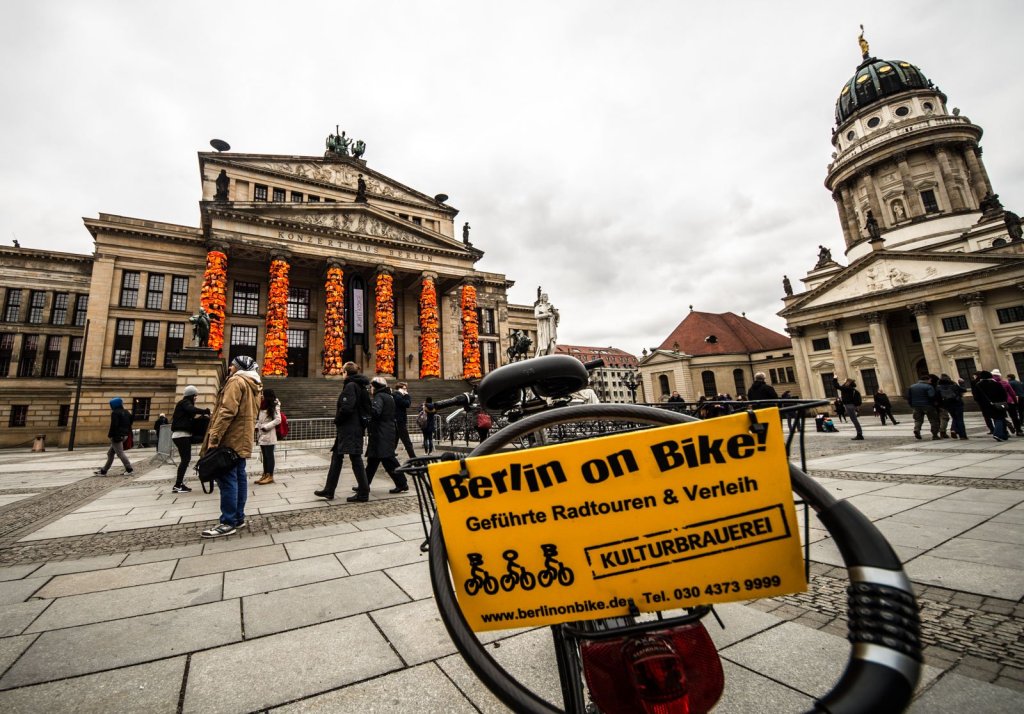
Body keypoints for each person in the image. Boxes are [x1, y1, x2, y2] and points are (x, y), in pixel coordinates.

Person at [200, 355, 262, 538]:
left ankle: (228, 522)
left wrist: (214, 436)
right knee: (239, 478)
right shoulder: (255, 385)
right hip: (243, 438)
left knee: (227, 480)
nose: (229, 368)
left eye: (232, 365)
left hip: (230, 438)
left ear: (238, 367)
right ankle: (238, 517)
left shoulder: (236, 381)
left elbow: (227, 411)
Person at [316, 362, 371, 502]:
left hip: (349, 427)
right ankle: (329, 489)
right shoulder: (358, 385)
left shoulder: (351, 385)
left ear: (346, 372)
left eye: (342, 371)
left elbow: (347, 407)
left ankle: (364, 492)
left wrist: (338, 420)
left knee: (355, 458)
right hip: (352, 427)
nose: (341, 373)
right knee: (337, 457)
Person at [362, 377, 409, 495]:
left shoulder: (379, 397)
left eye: (371, 387)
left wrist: (367, 413)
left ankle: (402, 483)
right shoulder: (389, 396)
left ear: (376, 387)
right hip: (387, 431)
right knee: (372, 461)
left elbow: (376, 412)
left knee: (389, 460)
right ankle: (364, 484)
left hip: (381, 433)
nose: (370, 389)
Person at [170, 386, 211, 492]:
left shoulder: (185, 404)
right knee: (185, 460)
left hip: (185, 435)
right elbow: (191, 409)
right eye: (195, 396)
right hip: (181, 435)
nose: (195, 398)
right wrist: (204, 411)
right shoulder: (184, 403)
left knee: (202, 442)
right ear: (191, 395)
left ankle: (206, 465)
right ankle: (178, 485)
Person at [95, 397, 134, 476]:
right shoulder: (127, 412)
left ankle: (129, 469)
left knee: (120, 453)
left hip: (117, 436)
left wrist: (111, 435)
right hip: (125, 435)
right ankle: (104, 470)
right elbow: (130, 423)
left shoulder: (115, 413)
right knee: (110, 453)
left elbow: (114, 425)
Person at [973, 371, 1011, 442]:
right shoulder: (997, 384)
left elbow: (976, 397)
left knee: (998, 418)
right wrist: (1003, 401)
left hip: (986, 405)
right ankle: (998, 434)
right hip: (998, 403)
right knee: (1000, 418)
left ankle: (1004, 434)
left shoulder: (978, 385)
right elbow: (1004, 394)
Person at [254, 388, 282, 485]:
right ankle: (265, 474)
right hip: (261, 434)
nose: (261, 395)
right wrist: (257, 427)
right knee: (265, 456)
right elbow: (260, 420)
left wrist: (266, 427)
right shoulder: (263, 404)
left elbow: (278, 419)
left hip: (269, 434)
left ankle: (270, 476)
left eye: (263, 394)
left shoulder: (274, 405)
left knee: (269, 456)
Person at [906, 375, 939, 440]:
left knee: (918, 420)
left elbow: (909, 397)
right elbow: (931, 396)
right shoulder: (929, 386)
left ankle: (917, 429)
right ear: (926, 380)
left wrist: (911, 405)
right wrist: (934, 404)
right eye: (930, 380)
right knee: (933, 420)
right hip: (928, 405)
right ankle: (935, 435)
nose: (930, 381)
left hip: (916, 406)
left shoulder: (912, 386)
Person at [936, 374, 968, 439]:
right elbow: (964, 390)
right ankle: (962, 435)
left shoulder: (938, 387)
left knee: (955, 418)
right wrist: (961, 383)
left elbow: (937, 397)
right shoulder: (954, 385)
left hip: (947, 405)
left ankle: (954, 430)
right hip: (957, 403)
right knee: (959, 419)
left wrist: (942, 405)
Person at [991, 370, 1021, 435]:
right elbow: (1012, 393)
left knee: (1001, 417)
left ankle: (1005, 432)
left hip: (999, 403)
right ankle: (1019, 430)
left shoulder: (991, 384)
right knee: (1014, 416)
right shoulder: (1005, 382)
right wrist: (1015, 402)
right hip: (1009, 401)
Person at [392, 381, 417, 459]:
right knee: (406, 440)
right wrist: (407, 395)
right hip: (399, 421)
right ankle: (413, 457)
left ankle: (390, 453)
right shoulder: (397, 395)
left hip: (398, 420)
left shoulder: (397, 395)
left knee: (396, 438)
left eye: (406, 388)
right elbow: (407, 404)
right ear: (399, 388)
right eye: (404, 388)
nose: (406, 390)